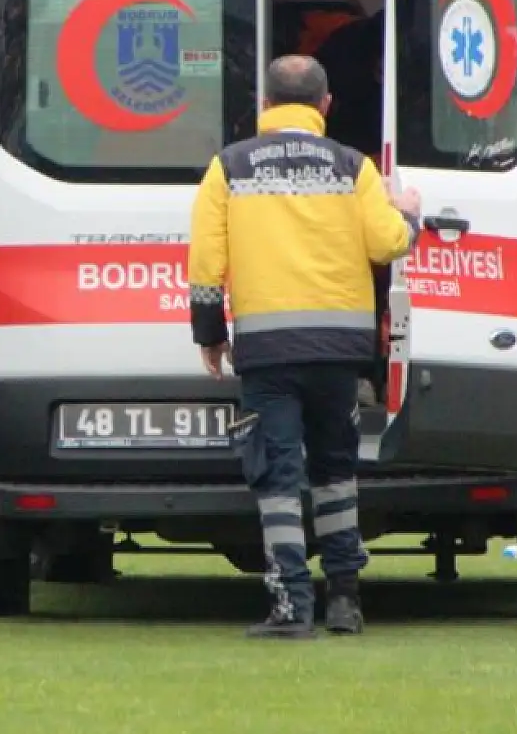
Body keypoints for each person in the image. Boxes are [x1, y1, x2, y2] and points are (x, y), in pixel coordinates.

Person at [186, 55, 419, 640]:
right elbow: (386, 243)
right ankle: (345, 599)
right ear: (325, 106)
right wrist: (411, 216)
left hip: (268, 350)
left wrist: (210, 333)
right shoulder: (353, 166)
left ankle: (291, 605)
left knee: (278, 475)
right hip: (340, 349)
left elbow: (207, 263)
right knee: (337, 471)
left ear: (265, 105)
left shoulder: (229, 167)